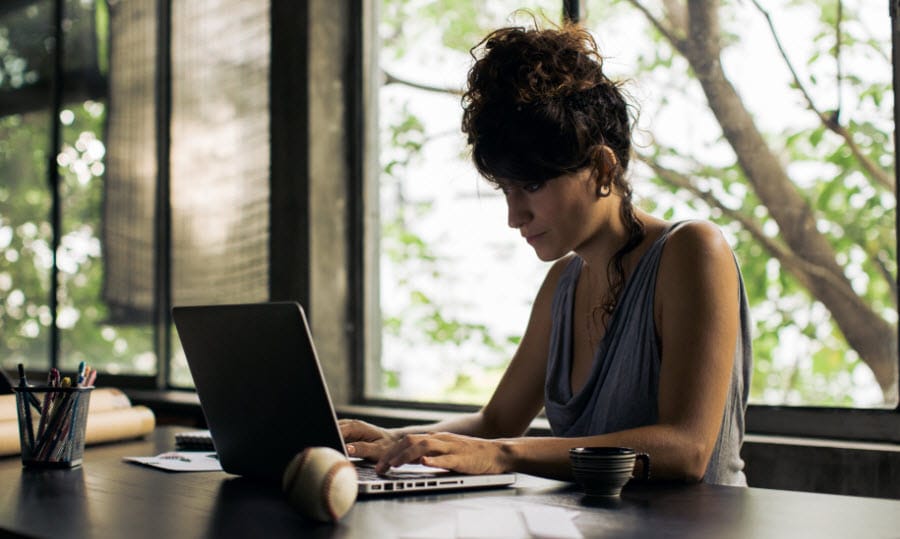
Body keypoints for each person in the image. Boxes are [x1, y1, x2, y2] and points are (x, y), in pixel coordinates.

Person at [340, 20, 752, 486]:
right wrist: (394, 441)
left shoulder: (693, 251)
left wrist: (504, 456)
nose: (515, 216)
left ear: (601, 167)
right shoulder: (564, 282)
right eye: (507, 190)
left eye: (532, 186)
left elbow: (687, 448)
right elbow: (494, 425)